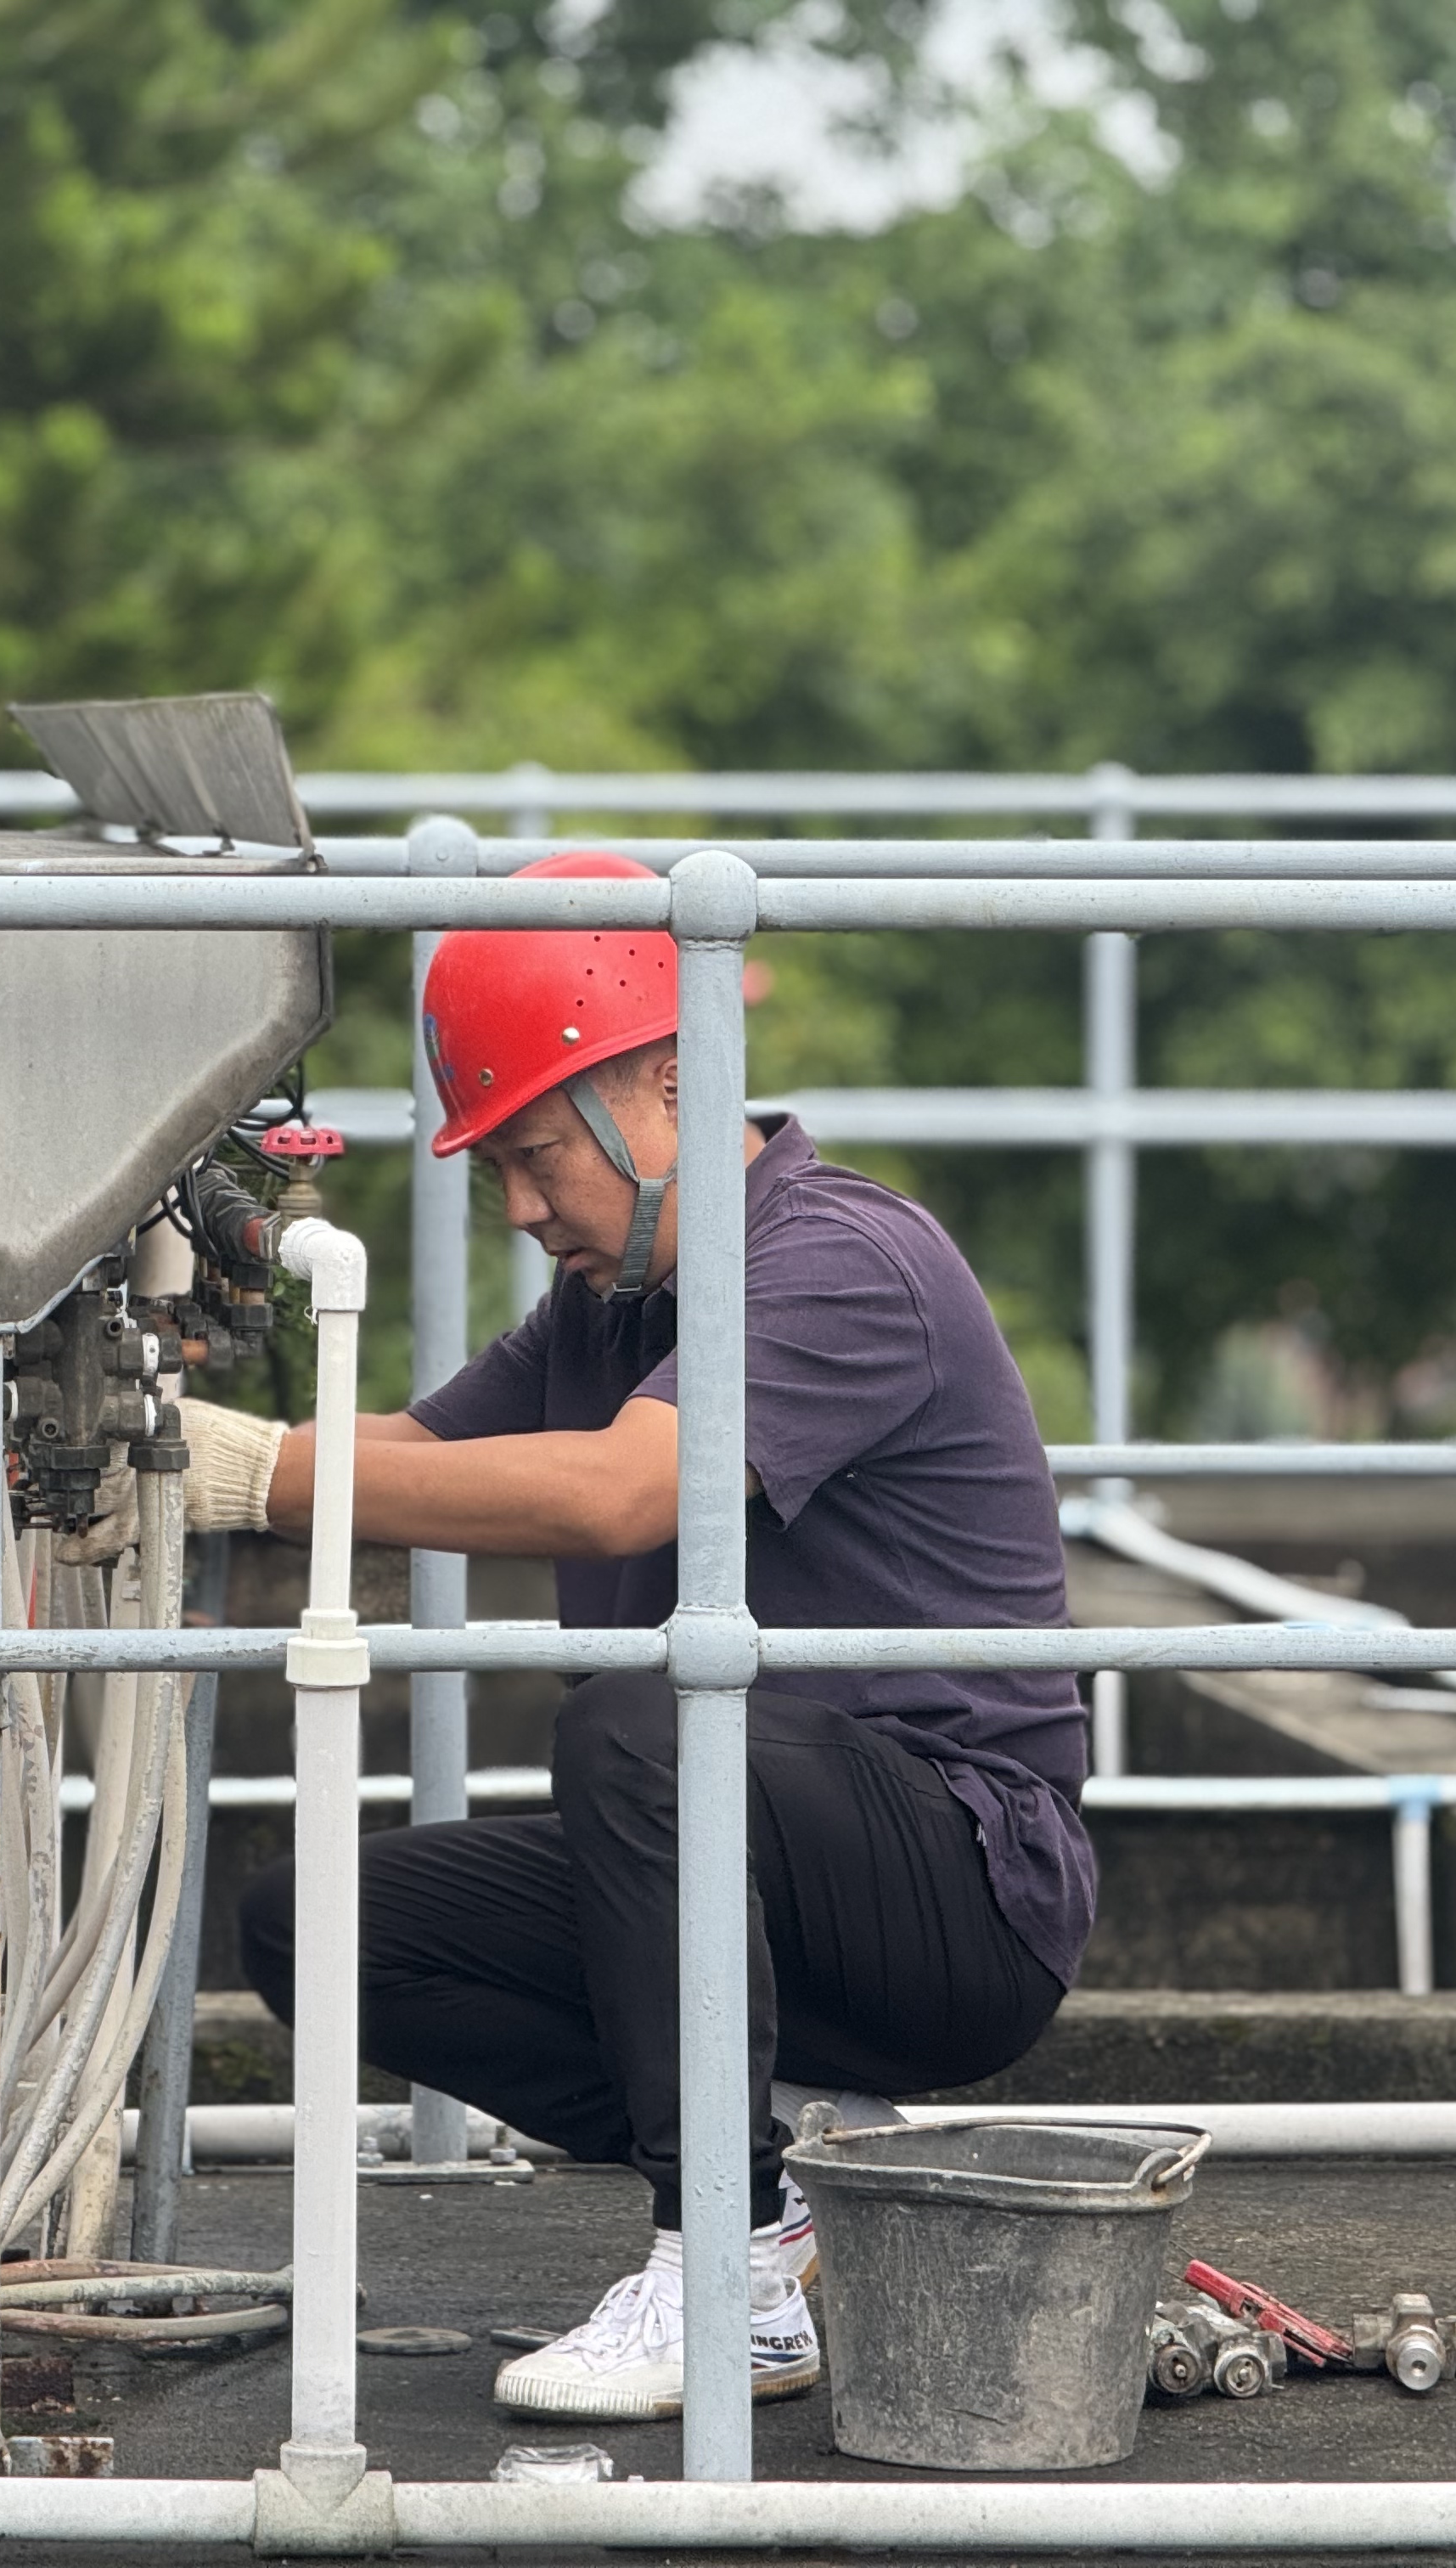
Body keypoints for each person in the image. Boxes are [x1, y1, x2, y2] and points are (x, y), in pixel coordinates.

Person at [166, 851, 1093, 2424]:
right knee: (314, 1925)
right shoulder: (611, 1303)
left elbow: (614, 1496)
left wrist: (260, 1476)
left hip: (960, 1890)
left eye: (538, 1157)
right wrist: (163, 1452)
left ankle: (728, 2269)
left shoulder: (839, 1258)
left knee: (650, 1720)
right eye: (498, 1173)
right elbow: (414, 1454)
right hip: (768, 1871)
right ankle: (800, 2173)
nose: (523, 1210)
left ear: (667, 1084)